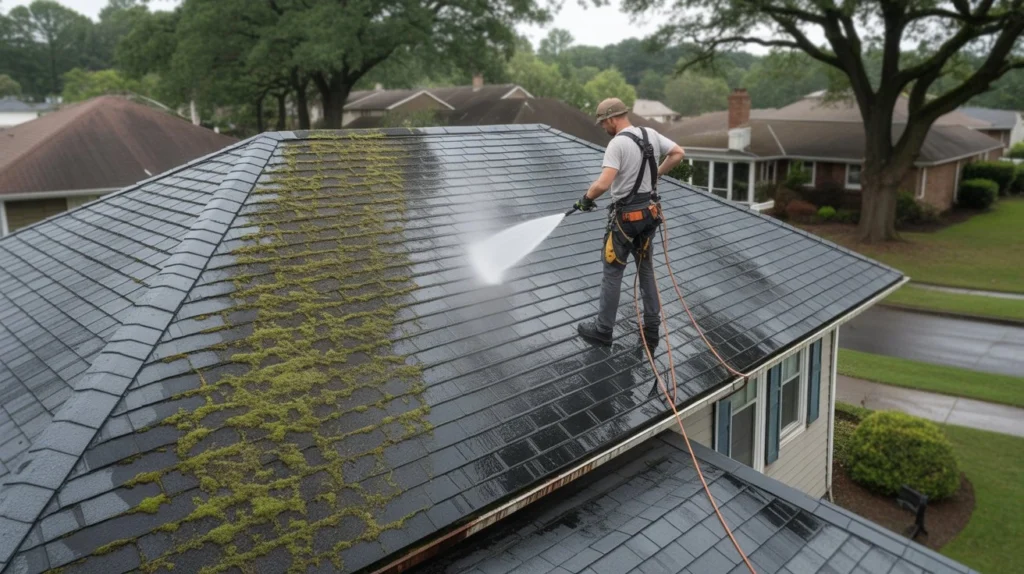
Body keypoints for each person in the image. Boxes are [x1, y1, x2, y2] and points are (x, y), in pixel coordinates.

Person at [574, 98, 685, 348]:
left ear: (612, 119)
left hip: (626, 220)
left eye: (603, 122)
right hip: (649, 214)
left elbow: (603, 183)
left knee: (613, 272)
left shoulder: (618, 144)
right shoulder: (651, 134)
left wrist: (585, 199)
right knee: (645, 269)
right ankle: (652, 328)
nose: (603, 127)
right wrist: (655, 175)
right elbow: (678, 153)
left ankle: (603, 330)